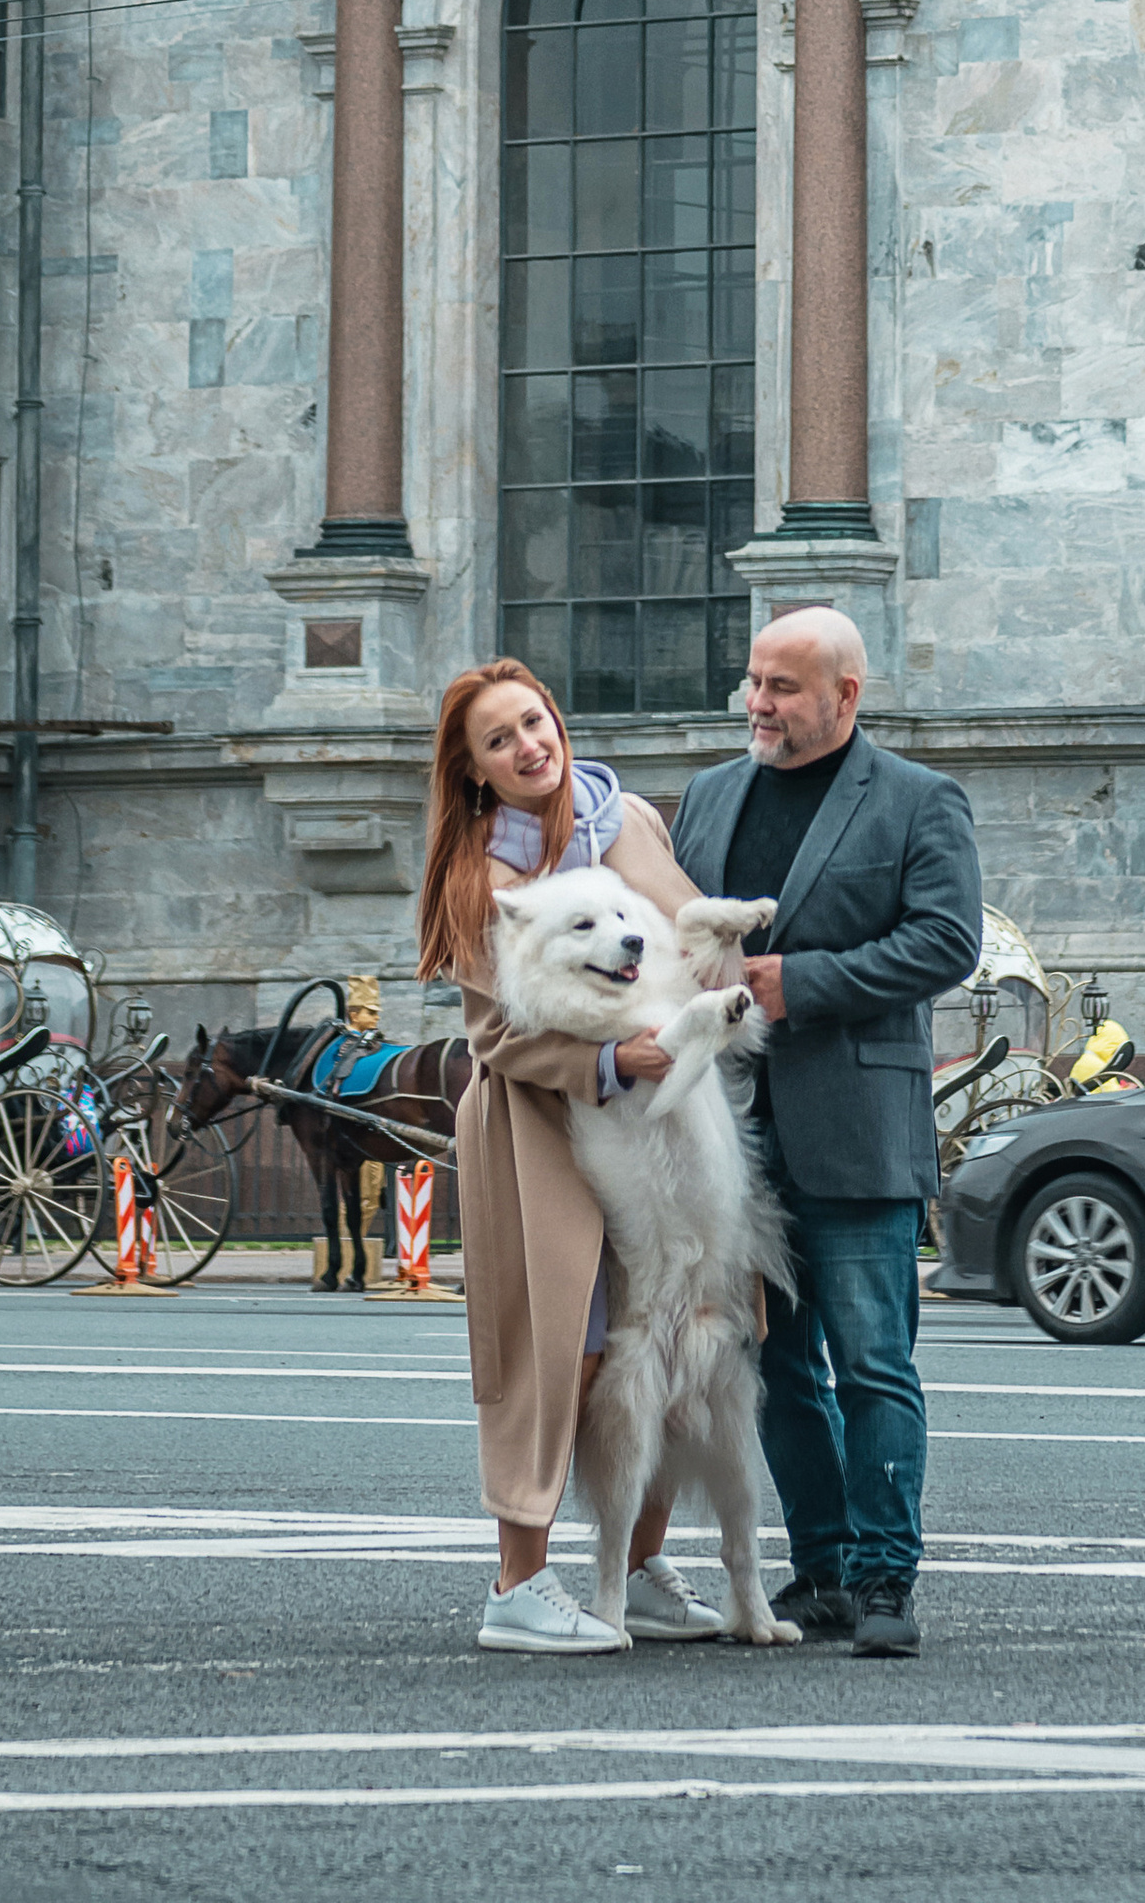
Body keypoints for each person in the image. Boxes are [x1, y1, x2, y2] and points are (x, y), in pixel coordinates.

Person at [671, 606, 981, 1658]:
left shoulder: (916, 800)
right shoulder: (709, 798)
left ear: (846, 695)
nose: (758, 703)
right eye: (753, 682)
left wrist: (797, 983)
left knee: (873, 1362)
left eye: (783, 688)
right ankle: (824, 1574)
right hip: (734, 1148)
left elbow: (945, 943)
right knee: (778, 1369)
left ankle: (888, 1580)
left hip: (856, 1132)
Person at [417, 654, 725, 1658]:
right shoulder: (481, 871)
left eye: (535, 721)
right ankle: (519, 1582)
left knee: (668, 1334)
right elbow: (493, 1035)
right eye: (498, 740)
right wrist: (605, 1055)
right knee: (558, 1349)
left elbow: (688, 937)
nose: (528, 746)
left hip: (658, 1119)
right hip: (538, 1127)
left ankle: (634, 1570)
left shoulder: (627, 818)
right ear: (474, 773)